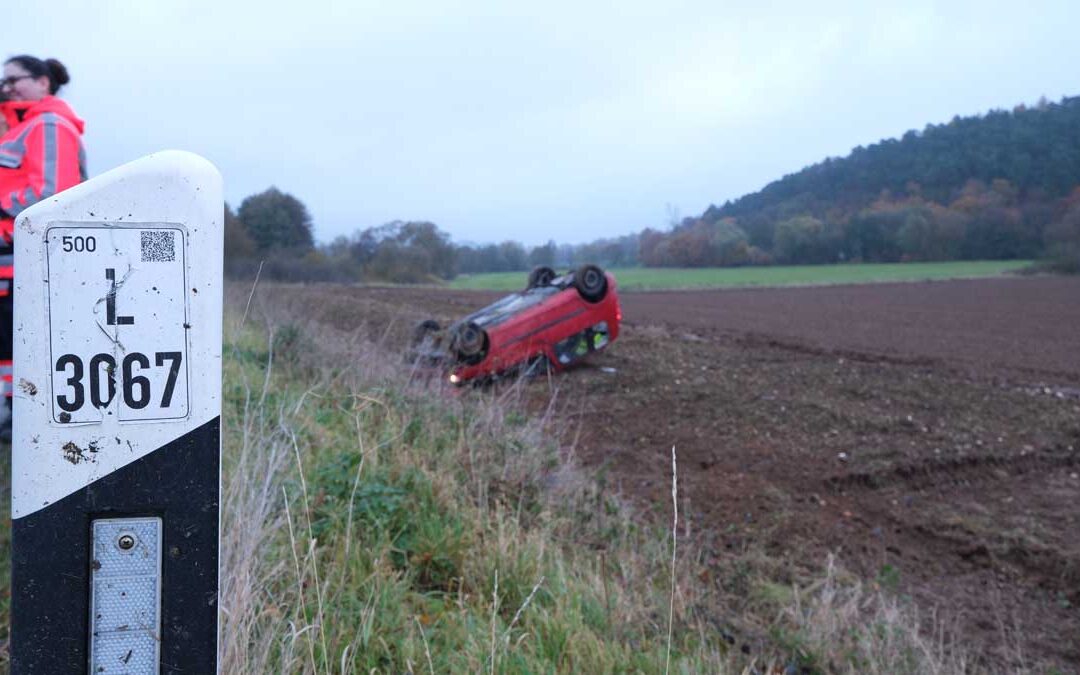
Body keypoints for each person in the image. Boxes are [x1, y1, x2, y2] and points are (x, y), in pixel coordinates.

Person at [0, 55, 86, 440]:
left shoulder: (48, 124)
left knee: (23, 348)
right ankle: (12, 420)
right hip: (9, 264)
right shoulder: (18, 129)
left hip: (27, 264)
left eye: (15, 79)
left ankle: (23, 426)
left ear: (42, 83)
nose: (7, 86)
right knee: (8, 346)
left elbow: (52, 195)